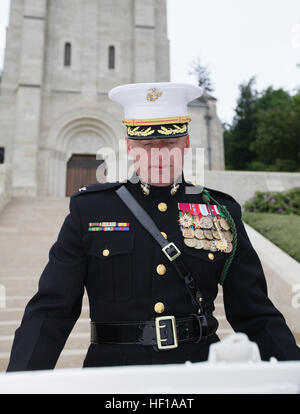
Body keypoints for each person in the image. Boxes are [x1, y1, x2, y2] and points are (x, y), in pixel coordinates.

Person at [7, 82, 300, 371]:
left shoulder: (219, 210)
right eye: (146, 145)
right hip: (113, 375)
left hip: (198, 371)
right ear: (130, 147)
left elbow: (255, 314)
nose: (159, 156)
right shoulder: (91, 210)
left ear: (185, 144)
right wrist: (19, 384)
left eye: (170, 144)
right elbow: (51, 310)